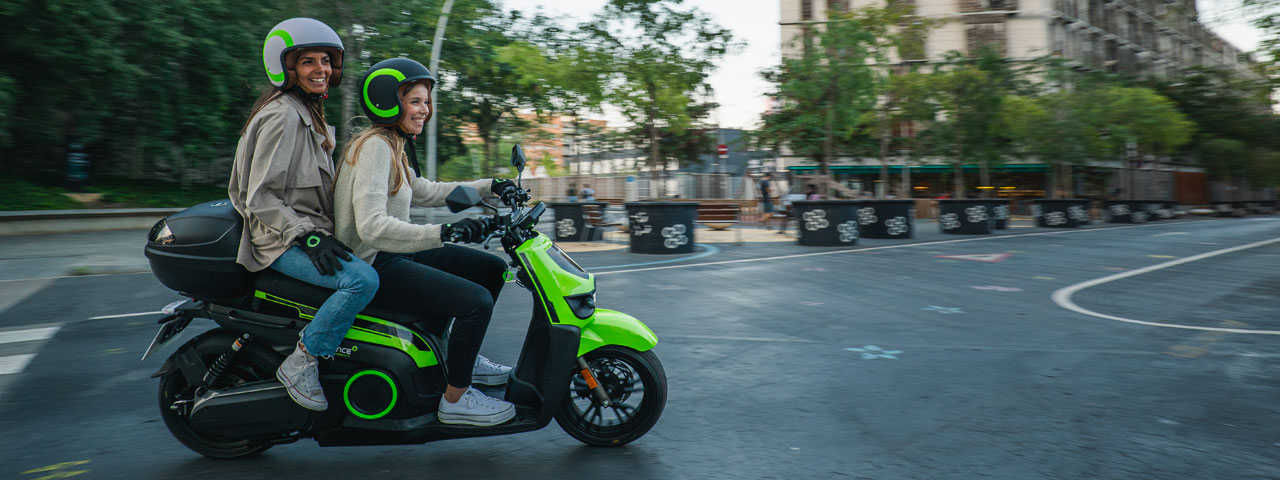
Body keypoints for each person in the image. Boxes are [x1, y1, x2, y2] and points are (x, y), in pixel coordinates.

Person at [333, 58, 522, 426]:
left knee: (492, 269)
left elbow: (425, 191)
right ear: (388, 101)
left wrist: (490, 186)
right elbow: (371, 226)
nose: (425, 110)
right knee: (476, 303)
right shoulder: (374, 148)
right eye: (416, 101)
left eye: (426, 102)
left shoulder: (392, 145)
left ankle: (457, 358)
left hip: (395, 253)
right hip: (373, 262)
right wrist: (443, 233)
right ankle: (456, 399)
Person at [228, 18, 379, 412]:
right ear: (287, 67)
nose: (321, 69)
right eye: (308, 61)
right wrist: (306, 237)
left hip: (302, 231)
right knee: (360, 281)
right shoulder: (283, 116)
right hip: (276, 241)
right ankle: (303, 360)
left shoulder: (305, 111)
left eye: (326, 60)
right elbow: (261, 197)